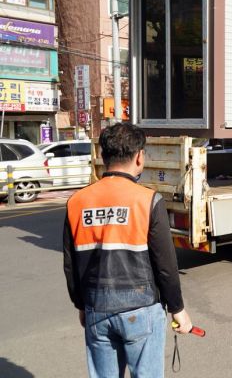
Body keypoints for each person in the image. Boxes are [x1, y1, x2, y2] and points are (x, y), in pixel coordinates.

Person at [63, 123, 193, 377]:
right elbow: (165, 264)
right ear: (139, 157)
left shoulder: (76, 202)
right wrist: (178, 310)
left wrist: (81, 305)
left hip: (96, 308)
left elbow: (71, 264)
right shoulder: (147, 200)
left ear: (103, 156)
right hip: (141, 309)